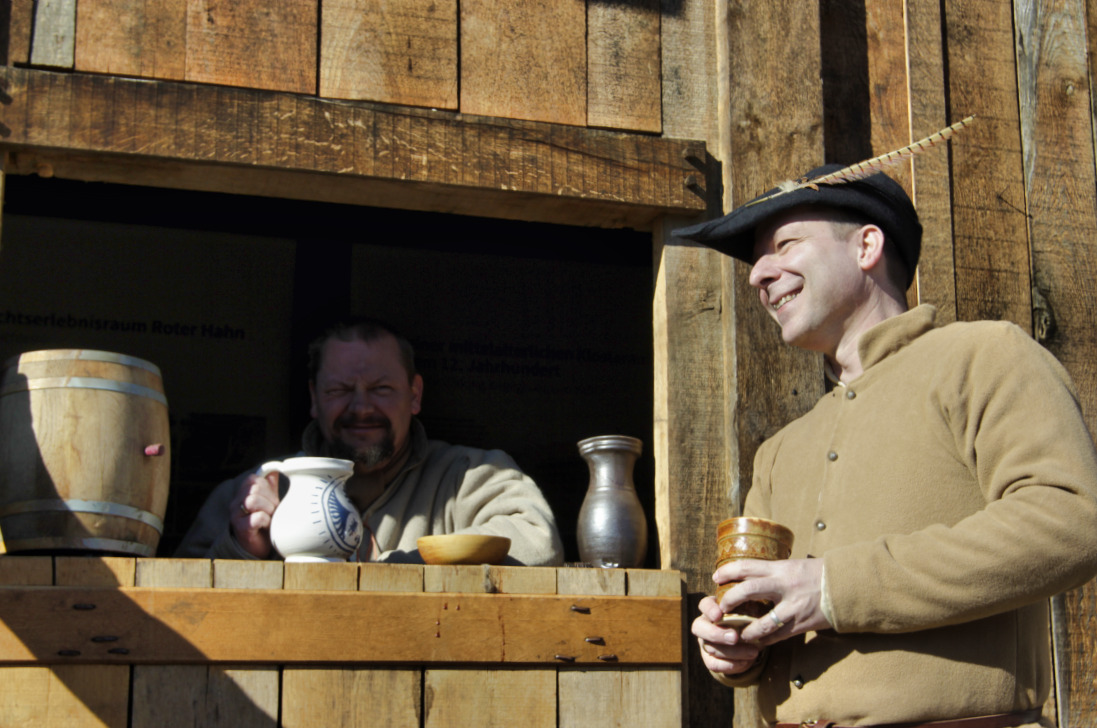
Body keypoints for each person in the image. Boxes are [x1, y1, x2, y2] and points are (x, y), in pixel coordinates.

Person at [676, 163, 1097, 728]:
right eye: (756, 261)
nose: (759, 275)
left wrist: (835, 588)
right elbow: (775, 613)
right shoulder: (778, 451)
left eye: (785, 245)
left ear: (867, 246)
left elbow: (1071, 521)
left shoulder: (985, 356)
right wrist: (739, 650)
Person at [176, 318, 565, 566]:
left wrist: (394, 569)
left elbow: (538, 543)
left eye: (381, 389)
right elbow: (177, 602)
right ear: (314, 399)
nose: (361, 408)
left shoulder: (470, 476)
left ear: (414, 395)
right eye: (340, 390)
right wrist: (241, 548)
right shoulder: (252, 495)